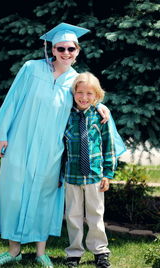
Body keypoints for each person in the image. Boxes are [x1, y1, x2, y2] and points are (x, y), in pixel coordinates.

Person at [0, 23, 111, 267]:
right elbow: (12, 100)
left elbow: (86, 100)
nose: (65, 53)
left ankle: (41, 251)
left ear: (77, 51)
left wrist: (100, 105)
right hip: (20, 141)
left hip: (52, 150)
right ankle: (13, 251)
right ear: (51, 48)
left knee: (45, 195)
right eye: (60, 48)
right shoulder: (31, 69)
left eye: (71, 49)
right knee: (13, 194)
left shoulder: (75, 80)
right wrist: (2, 134)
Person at [62, 72, 126, 268]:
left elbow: (109, 146)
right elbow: (60, 147)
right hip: (71, 176)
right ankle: (74, 252)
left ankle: (100, 251)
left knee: (95, 215)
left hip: (95, 176)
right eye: (79, 92)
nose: (84, 97)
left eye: (89, 93)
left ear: (97, 96)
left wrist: (108, 174)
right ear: (73, 94)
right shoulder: (66, 116)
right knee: (72, 216)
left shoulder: (101, 117)